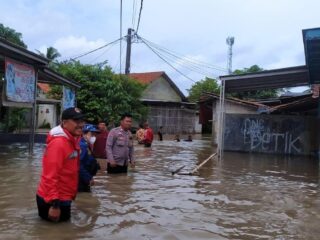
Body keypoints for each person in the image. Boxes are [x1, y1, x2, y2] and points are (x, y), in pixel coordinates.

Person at [36, 107, 85, 222]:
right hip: (54, 200)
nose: (81, 124)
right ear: (64, 122)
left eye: (82, 121)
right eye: (76, 121)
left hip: (64, 196)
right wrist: (55, 205)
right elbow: (50, 176)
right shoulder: (58, 144)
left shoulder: (72, 139)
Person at [79, 124, 100, 192]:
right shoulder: (82, 146)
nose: (93, 137)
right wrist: (88, 178)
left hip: (85, 177)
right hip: (81, 179)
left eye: (94, 135)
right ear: (84, 134)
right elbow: (79, 165)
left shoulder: (87, 145)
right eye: (92, 134)